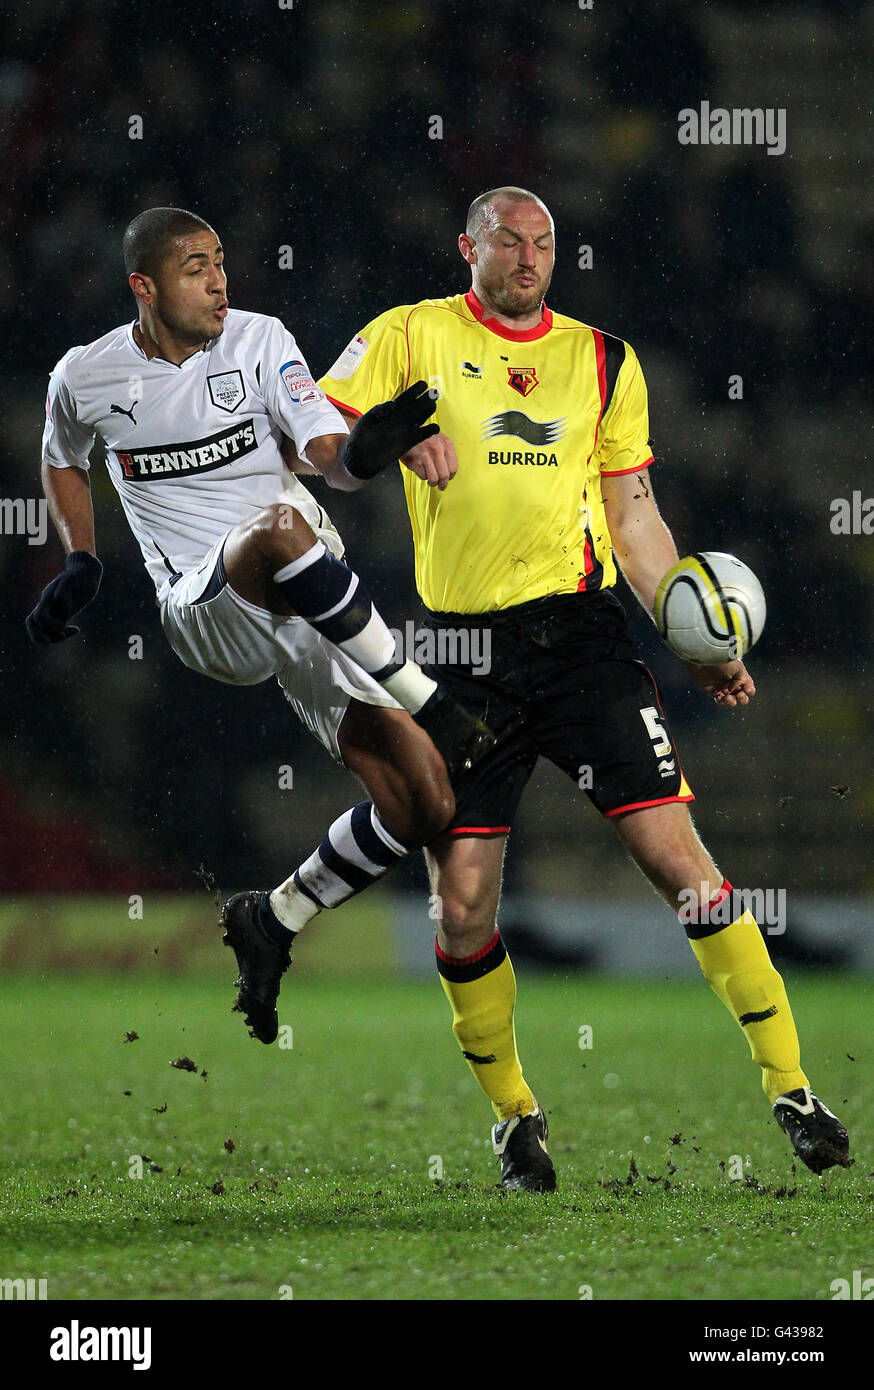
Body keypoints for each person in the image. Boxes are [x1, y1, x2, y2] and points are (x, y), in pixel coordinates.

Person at [303, 185, 850, 1190]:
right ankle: (516, 1118)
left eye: (543, 240)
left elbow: (634, 518)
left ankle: (791, 1085)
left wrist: (692, 628)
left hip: (582, 639)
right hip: (459, 657)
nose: (527, 253)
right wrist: (368, 450)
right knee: (462, 904)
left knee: (676, 858)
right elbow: (323, 452)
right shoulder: (406, 335)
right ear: (464, 245)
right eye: (507, 237)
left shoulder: (603, 359)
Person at [27, 205, 495, 1046]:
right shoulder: (86, 375)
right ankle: (429, 696)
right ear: (144, 286)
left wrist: (361, 453)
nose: (218, 281)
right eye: (196, 267)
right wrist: (83, 559)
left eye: (221, 263)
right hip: (206, 607)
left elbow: (326, 456)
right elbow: (62, 458)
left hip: (310, 592)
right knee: (282, 526)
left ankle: (275, 917)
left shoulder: (262, 339)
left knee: (427, 803)